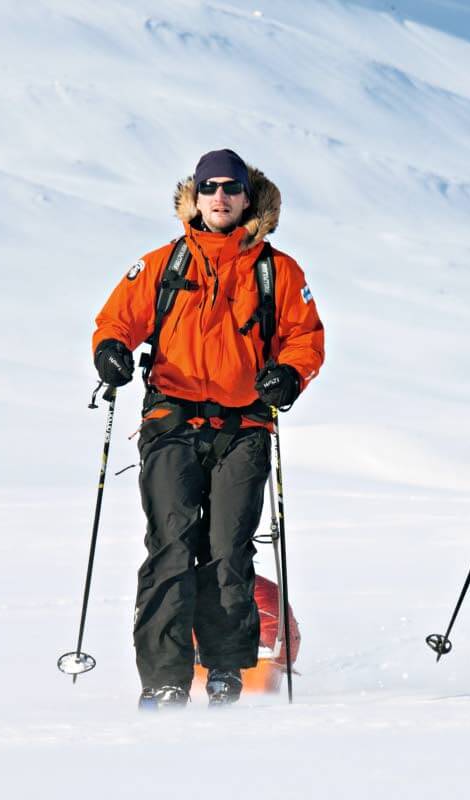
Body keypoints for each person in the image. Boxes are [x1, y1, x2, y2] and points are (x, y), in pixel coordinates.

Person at [91, 149, 324, 708]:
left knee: (228, 548)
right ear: (194, 197)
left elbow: (305, 337)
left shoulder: (278, 270)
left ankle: (224, 670)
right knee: (170, 544)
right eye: (209, 187)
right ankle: (165, 678)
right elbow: (116, 320)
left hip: (243, 426)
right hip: (171, 422)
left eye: (231, 187)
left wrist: (289, 375)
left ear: (249, 197)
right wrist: (111, 352)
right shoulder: (161, 264)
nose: (220, 196)